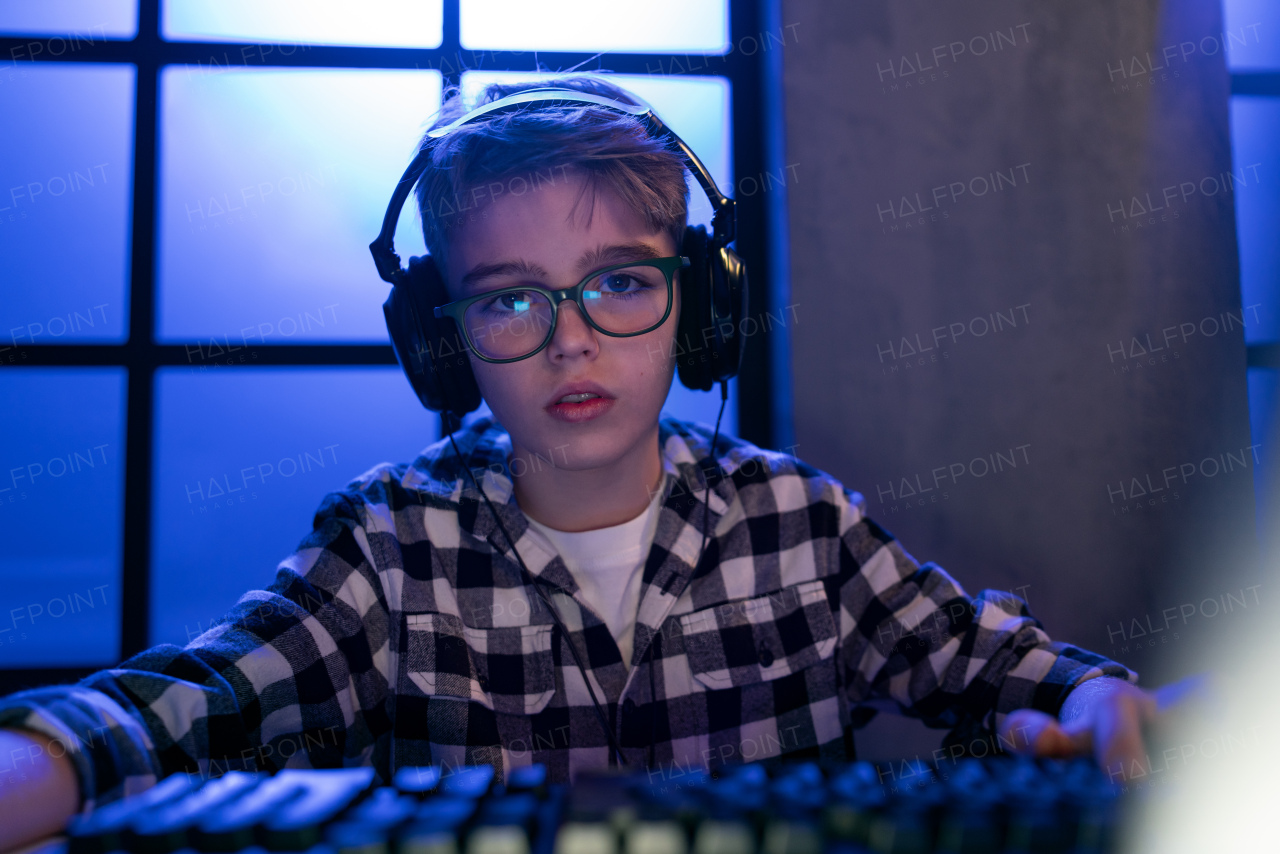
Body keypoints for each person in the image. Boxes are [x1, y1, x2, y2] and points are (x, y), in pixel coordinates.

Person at [0, 74, 1166, 850]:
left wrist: (1094, 698)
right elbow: (193, 702)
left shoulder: (801, 522)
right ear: (441, 340)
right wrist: (36, 759)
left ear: (700, 308)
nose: (569, 337)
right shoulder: (385, 543)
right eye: (509, 298)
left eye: (618, 280)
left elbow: (999, 669)